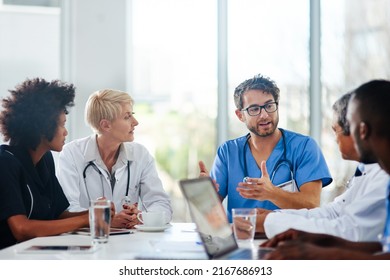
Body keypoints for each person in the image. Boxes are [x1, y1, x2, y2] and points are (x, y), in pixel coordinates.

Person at [261, 79, 390, 259]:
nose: (341, 137)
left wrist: (326, 251)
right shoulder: (376, 171)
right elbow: (383, 245)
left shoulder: (383, 178)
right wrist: (318, 240)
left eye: (348, 127)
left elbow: (354, 231)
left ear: (362, 131)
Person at [200, 74, 332, 221]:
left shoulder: (304, 147)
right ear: (240, 115)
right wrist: (203, 194)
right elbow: (207, 214)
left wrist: (272, 193)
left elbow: (312, 204)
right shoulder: (228, 152)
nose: (264, 115)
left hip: (289, 240)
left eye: (269, 106)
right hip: (242, 239)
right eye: (254, 109)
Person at [57, 89, 172, 229]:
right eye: (127, 117)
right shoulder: (72, 154)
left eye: (132, 115)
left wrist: (141, 217)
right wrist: (105, 220)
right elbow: (67, 209)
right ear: (106, 125)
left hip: (130, 241)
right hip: (89, 242)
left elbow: (161, 203)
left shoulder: (140, 155)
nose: (135, 122)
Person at [0, 78, 90, 249]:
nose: (66, 132)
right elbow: (22, 229)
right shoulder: (5, 164)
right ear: (42, 127)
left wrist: (97, 214)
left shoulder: (45, 160)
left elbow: (58, 215)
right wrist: (86, 220)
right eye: (62, 124)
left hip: (35, 255)